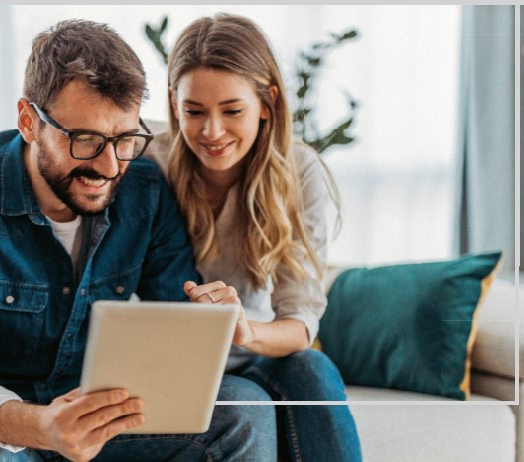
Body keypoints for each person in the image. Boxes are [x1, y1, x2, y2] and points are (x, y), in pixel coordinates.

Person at [0, 19, 277, 462]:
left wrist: (203, 320)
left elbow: (173, 318)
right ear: (28, 121)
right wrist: (42, 425)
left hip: (94, 410)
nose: (111, 166)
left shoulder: (145, 190)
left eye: (125, 140)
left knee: (244, 408)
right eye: (86, 140)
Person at [144, 14, 363, 462]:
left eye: (232, 110)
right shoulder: (150, 161)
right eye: (194, 111)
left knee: (313, 367)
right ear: (173, 102)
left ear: (267, 103)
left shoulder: (299, 172)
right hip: (175, 366)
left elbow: (300, 323)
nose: (212, 132)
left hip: (256, 353)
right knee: (245, 401)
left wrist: (244, 330)